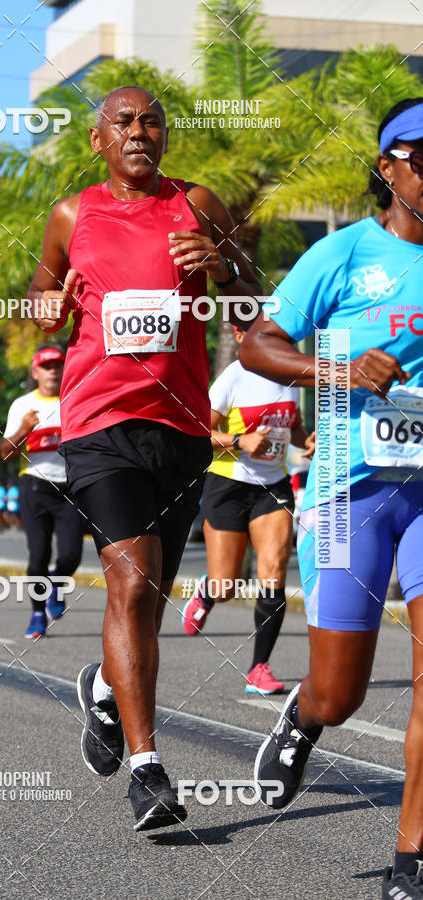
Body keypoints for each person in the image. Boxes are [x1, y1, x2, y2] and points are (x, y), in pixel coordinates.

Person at [29, 85, 261, 830]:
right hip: (99, 421)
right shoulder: (73, 214)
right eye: (123, 122)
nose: (140, 131)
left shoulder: (199, 204)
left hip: (184, 426)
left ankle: (101, 686)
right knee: (131, 578)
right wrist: (48, 303)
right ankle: (148, 768)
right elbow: (40, 294)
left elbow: (253, 305)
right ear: (99, 141)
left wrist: (222, 267)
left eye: (151, 120)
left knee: (151, 593)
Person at [239, 98, 423, 897]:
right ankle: (304, 717)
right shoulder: (345, 254)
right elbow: (257, 343)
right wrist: (340, 370)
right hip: (352, 494)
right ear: (387, 167)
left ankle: (411, 859)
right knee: (340, 690)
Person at [181, 324, 315, 696]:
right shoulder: (233, 378)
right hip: (227, 485)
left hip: (272, 487)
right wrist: (240, 440)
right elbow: (197, 430)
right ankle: (208, 593)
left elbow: (294, 427)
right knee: (227, 583)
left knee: (273, 573)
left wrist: (308, 440)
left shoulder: (289, 374)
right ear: (241, 338)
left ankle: (259, 668)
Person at [0, 345, 84, 639]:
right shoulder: (22, 406)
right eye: (46, 367)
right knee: (38, 556)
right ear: (35, 372)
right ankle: (37, 614)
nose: (53, 372)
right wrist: (24, 429)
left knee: (72, 553)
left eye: (57, 365)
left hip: (70, 490)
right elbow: (5, 453)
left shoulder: (76, 401)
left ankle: (57, 584)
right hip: (35, 487)